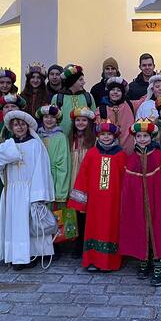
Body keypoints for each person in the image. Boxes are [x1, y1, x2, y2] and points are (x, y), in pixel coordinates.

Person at [0, 110, 55, 270]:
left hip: (29, 190)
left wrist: (37, 195)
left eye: (22, 124)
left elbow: (41, 169)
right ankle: (15, 256)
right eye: (16, 125)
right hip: (12, 190)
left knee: (29, 223)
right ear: (12, 128)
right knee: (15, 225)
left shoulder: (35, 145)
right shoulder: (8, 145)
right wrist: (9, 155)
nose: (19, 127)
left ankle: (32, 255)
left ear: (28, 126)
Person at [119, 118, 161, 286]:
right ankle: (143, 259)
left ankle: (159, 263)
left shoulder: (159, 157)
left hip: (157, 202)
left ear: (151, 137)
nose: (142, 139)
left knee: (158, 230)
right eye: (139, 136)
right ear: (135, 138)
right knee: (139, 228)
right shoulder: (131, 159)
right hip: (138, 203)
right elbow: (127, 186)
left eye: (145, 136)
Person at [68, 121, 127, 272]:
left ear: (114, 136)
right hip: (94, 202)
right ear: (98, 136)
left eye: (109, 134)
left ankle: (108, 262)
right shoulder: (92, 153)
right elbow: (83, 176)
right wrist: (81, 201)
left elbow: (125, 180)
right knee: (93, 228)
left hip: (113, 202)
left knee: (111, 230)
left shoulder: (121, 155)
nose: (106, 137)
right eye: (103, 134)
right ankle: (93, 260)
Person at [0, 94, 27, 241]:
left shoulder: (23, 128)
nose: (9, 109)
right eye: (6, 107)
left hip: (18, 172)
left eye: (13, 106)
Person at [36, 105, 75, 246]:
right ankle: (42, 242)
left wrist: (61, 187)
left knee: (56, 210)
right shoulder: (37, 136)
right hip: (40, 177)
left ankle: (57, 243)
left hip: (55, 178)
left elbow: (63, 163)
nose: (49, 120)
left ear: (57, 119)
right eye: (46, 117)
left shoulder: (61, 137)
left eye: (52, 117)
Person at [68, 107, 97, 258]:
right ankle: (76, 242)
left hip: (87, 179)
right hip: (72, 178)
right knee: (75, 212)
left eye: (84, 120)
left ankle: (85, 242)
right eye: (78, 120)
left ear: (89, 122)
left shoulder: (94, 140)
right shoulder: (69, 139)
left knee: (85, 212)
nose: (80, 123)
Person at [96, 77, 136, 154]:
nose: (115, 92)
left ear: (123, 93)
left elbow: (144, 100)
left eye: (118, 90)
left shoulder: (130, 105)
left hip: (128, 151)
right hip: (109, 153)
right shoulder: (101, 109)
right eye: (112, 90)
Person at [53, 65, 97, 135]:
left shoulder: (88, 97)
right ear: (72, 81)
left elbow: (94, 119)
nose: (83, 82)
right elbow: (53, 119)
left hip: (85, 138)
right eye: (80, 80)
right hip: (63, 137)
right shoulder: (58, 98)